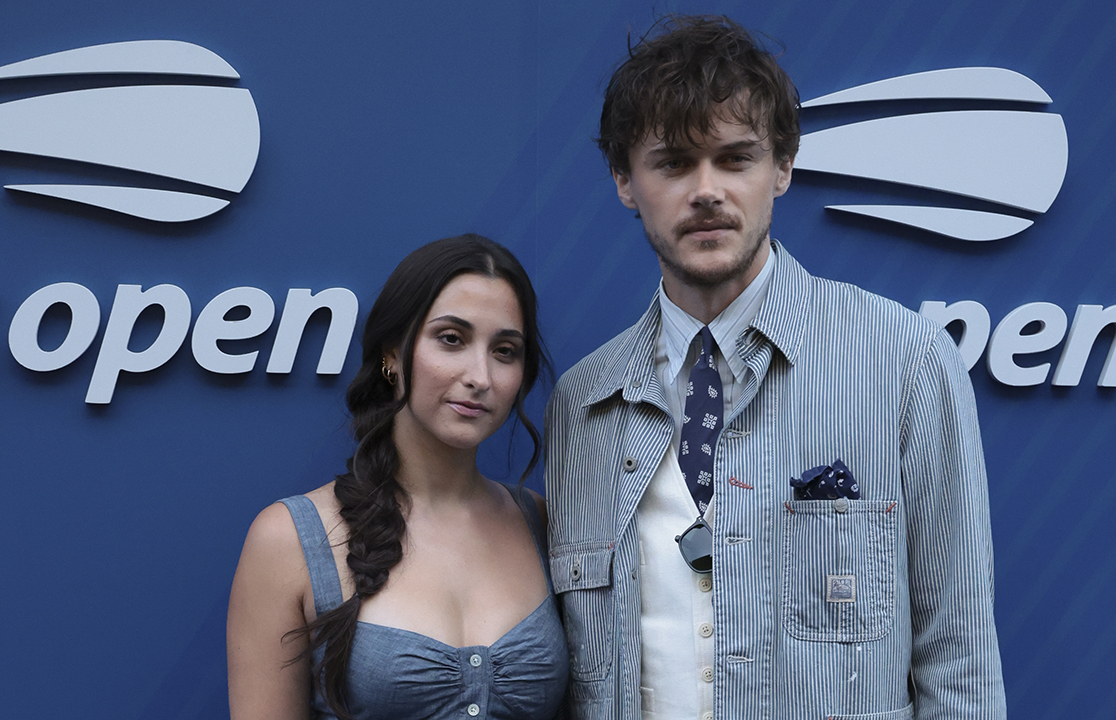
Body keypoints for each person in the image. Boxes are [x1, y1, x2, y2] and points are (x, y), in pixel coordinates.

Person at [543, 15, 1006, 720]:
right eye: (672, 162)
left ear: (782, 168)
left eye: (735, 158)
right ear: (624, 181)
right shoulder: (584, 402)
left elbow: (960, 659)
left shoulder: (904, 361)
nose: (706, 190)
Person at [227, 234, 567, 720]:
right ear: (391, 353)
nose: (480, 376)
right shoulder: (290, 540)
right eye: (452, 339)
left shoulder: (539, 521)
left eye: (505, 350)